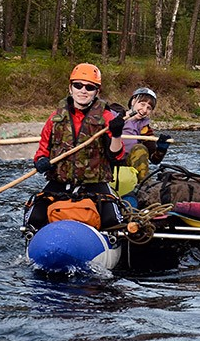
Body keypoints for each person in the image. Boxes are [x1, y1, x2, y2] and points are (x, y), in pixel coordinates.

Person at [23, 62, 128, 231]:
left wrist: (116, 135)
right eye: (78, 85)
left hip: (95, 182)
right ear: (70, 88)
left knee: (113, 220)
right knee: (34, 217)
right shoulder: (55, 118)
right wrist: (41, 161)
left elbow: (116, 155)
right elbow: (43, 149)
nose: (83, 90)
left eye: (89, 87)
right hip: (59, 182)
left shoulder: (106, 117)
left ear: (97, 92)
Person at [120, 87, 172, 182]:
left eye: (149, 108)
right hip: (108, 161)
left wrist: (161, 149)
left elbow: (154, 160)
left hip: (127, 165)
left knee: (140, 149)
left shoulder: (145, 129)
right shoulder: (113, 114)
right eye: (142, 104)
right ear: (133, 101)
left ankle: (143, 185)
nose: (144, 110)